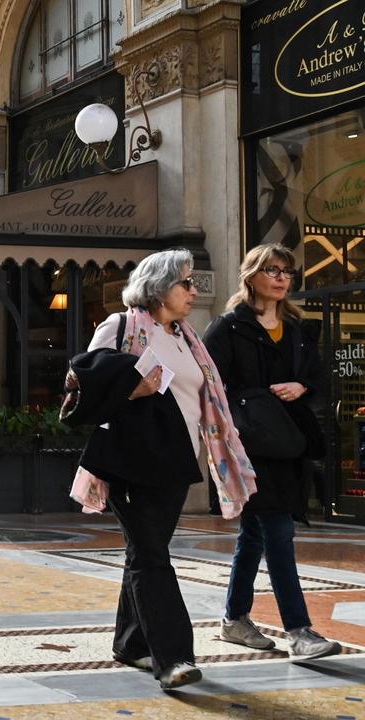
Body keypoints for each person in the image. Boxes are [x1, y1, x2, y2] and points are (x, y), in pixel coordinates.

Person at [63, 248, 256, 689]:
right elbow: (82, 389)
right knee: (152, 556)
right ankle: (173, 658)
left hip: (177, 461)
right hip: (131, 460)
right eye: (184, 283)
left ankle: (130, 642)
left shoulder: (188, 338)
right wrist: (132, 389)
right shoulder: (123, 326)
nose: (193, 290)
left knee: (144, 552)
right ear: (158, 286)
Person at [203, 243, 342, 660]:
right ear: (252, 277)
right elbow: (209, 384)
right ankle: (299, 630)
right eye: (273, 270)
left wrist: (302, 387)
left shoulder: (299, 329)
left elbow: (318, 379)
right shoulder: (229, 326)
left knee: (255, 533)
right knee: (278, 530)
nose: (282, 278)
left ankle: (234, 619)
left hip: (289, 442)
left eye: (287, 272)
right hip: (251, 446)